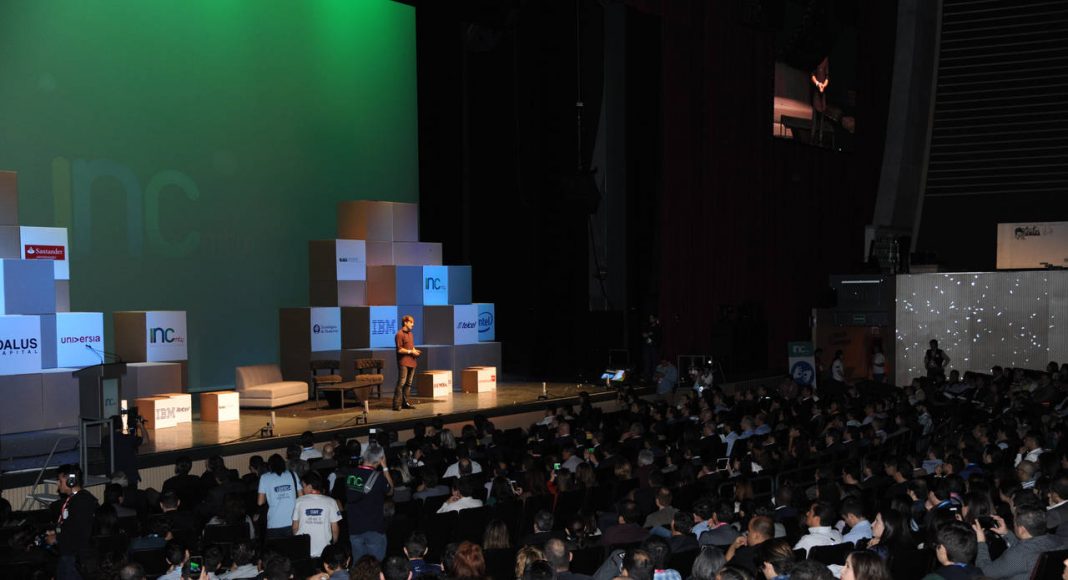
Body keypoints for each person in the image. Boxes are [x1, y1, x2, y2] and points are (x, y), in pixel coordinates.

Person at [973, 508, 1067, 580]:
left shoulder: (1017, 555)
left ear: (1022, 529)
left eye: (1015, 524)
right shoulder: (1060, 540)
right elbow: (1028, 548)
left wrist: (981, 542)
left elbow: (984, 572)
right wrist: (1006, 533)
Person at [343, 443, 394, 561]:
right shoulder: (379, 478)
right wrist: (385, 467)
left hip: (355, 528)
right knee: (376, 564)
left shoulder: (350, 474)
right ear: (380, 459)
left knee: (359, 566)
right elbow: (391, 491)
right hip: (374, 527)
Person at [48, 464, 99, 579]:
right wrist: (57, 534)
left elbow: (80, 532)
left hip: (75, 558)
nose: (58, 484)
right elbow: (71, 525)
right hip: (70, 555)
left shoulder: (82, 501)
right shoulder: (74, 499)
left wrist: (57, 538)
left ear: (71, 481)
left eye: (60, 481)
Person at [293, 470, 342, 557]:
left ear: (310, 487)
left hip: (304, 549)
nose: (302, 489)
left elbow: (295, 528)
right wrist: (333, 545)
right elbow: (335, 529)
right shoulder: (331, 501)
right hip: (325, 550)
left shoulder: (299, 501)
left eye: (303, 486)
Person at [257, 453, 302, 538]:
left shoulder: (264, 477)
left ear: (270, 466)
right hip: (293, 521)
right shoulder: (293, 474)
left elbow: (260, 502)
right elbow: (301, 497)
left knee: (276, 550)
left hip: (274, 522)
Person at [393, 315, 421, 411]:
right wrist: (411, 352)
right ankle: (396, 405)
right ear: (405, 322)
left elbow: (410, 347)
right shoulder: (399, 334)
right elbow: (399, 350)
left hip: (412, 362)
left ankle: (405, 403)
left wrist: (415, 351)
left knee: (408, 384)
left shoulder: (411, 334)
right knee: (401, 383)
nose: (413, 324)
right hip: (403, 362)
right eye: (411, 322)